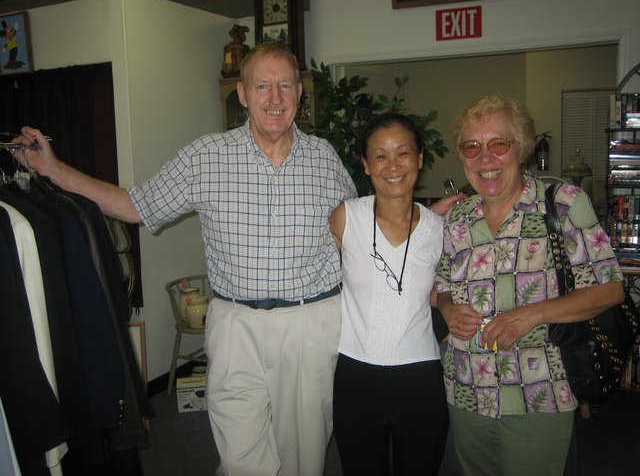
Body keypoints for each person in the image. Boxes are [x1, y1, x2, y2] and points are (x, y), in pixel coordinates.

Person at [13, 42, 358, 476]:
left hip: (309, 322)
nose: (275, 98)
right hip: (235, 326)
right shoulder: (205, 156)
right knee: (240, 460)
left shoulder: (324, 158)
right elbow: (135, 205)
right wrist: (54, 170)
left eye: (285, 85)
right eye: (262, 86)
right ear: (242, 93)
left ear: (300, 92)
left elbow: (356, 234)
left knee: (303, 457)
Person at [434, 94, 625, 476]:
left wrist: (530, 315)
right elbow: (440, 287)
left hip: (539, 391)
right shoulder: (457, 217)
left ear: (521, 148)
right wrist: (448, 308)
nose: (484, 158)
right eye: (472, 147)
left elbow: (610, 289)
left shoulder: (563, 204)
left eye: (498, 144)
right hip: (467, 387)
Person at [329, 112, 458, 475]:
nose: (393, 166)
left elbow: (439, 288)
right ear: (366, 165)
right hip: (356, 375)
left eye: (403, 153)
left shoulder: (439, 229)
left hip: (420, 378)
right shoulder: (345, 217)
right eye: (380, 156)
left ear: (419, 158)